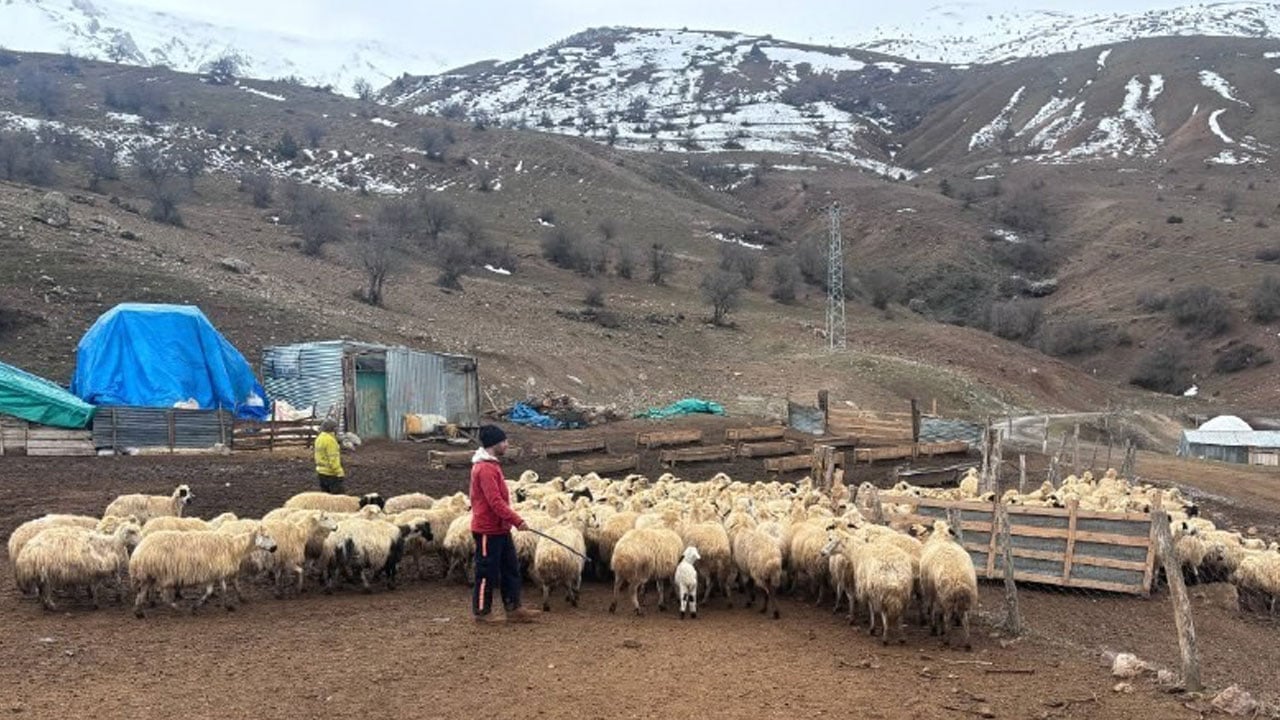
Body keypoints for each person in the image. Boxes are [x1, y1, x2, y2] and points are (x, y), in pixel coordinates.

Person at [470, 424, 539, 624]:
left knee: (511, 568)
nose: (507, 444)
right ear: (495, 444)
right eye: (504, 441)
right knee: (486, 571)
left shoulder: (492, 465)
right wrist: (517, 520)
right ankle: (482, 612)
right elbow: (495, 502)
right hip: (487, 529)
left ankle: (514, 608)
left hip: (500, 527)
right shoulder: (484, 468)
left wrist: (509, 522)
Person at [314, 417, 345, 494]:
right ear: (333, 429)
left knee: (326, 497)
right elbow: (333, 458)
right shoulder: (330, 441)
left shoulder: (319, 438)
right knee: (337, 497)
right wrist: (339, 472)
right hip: (331, 473)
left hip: (321, 472)